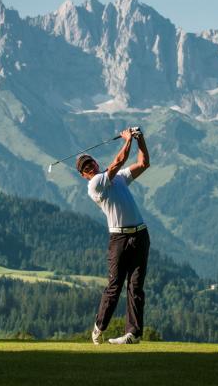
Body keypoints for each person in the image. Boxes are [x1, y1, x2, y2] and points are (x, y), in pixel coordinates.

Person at [76, 127, 150, 345]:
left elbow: (144, 163)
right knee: (115, 286)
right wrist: (127, 140)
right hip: (118, 239)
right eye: (85, 168)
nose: (89, 167)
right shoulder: (95, 184)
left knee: (135, 287)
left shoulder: (118, 178)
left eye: (90, 163)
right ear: (83, 175)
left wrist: (140, 139)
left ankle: (133, 334)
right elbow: (118, 160)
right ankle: (99, 327)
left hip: (140, 234)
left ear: (96, 163)